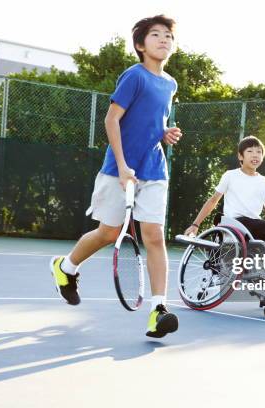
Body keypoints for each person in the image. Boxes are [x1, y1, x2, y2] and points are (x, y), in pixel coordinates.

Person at [50, 15, 182, 338]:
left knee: (154, 235)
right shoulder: (134, 76)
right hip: (119, 170)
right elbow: (112, 120)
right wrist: (123, 166)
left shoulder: (170, 84)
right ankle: (65, 268)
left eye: (168, 35)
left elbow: (149, 119)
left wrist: (163, 133)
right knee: (108, 233)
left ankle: (158, 310)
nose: (163, 39)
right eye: (155, 35)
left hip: (153, 170)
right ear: (141, 44)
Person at [184, 136, 265, 252]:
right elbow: (213, 200)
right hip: (234, 222)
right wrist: (195, 224)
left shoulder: (264, 181)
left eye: (259, 152)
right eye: (250, 151)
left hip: (254, 225)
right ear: (240, 156)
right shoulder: (230, 175)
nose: (255, 155)